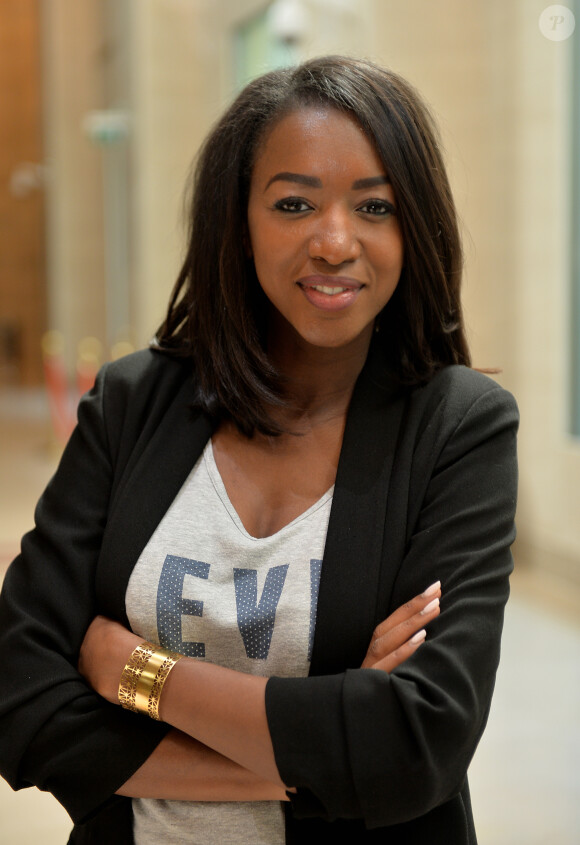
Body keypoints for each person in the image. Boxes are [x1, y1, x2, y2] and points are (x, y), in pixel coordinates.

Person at [0, 56, 518, 844]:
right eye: (294, 202)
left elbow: (417, 743)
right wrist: (324, 748)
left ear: (414, 227)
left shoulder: (458, 426)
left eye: (374, 205)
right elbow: (22, 696)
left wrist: (140, 673)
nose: (336, 240)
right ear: (239, 221)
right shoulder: (134, 401)